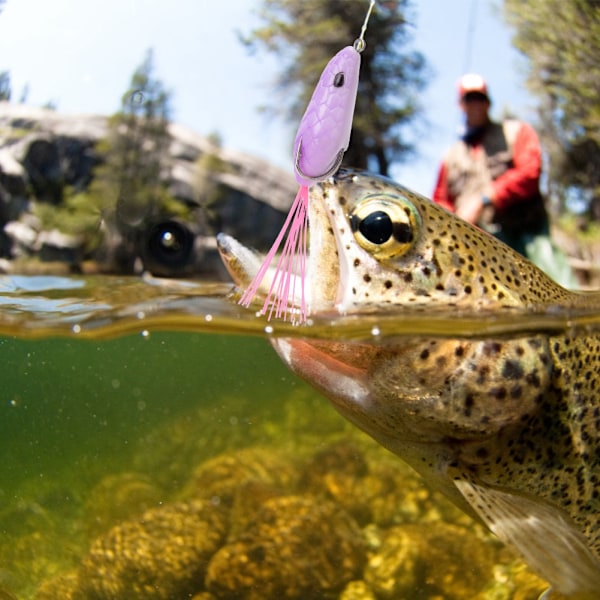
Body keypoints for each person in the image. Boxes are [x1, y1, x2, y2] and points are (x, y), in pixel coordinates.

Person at [432, 73, 577, 288]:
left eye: (480, 98)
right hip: (479, 251)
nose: (476, 104)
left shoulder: (516, 132)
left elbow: (530, 172)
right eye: (469, 99)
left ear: (488, 102)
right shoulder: (450, 157)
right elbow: (440, 201)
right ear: (461, 104)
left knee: (561, 293)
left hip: (528, 237)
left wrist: (485, 198)